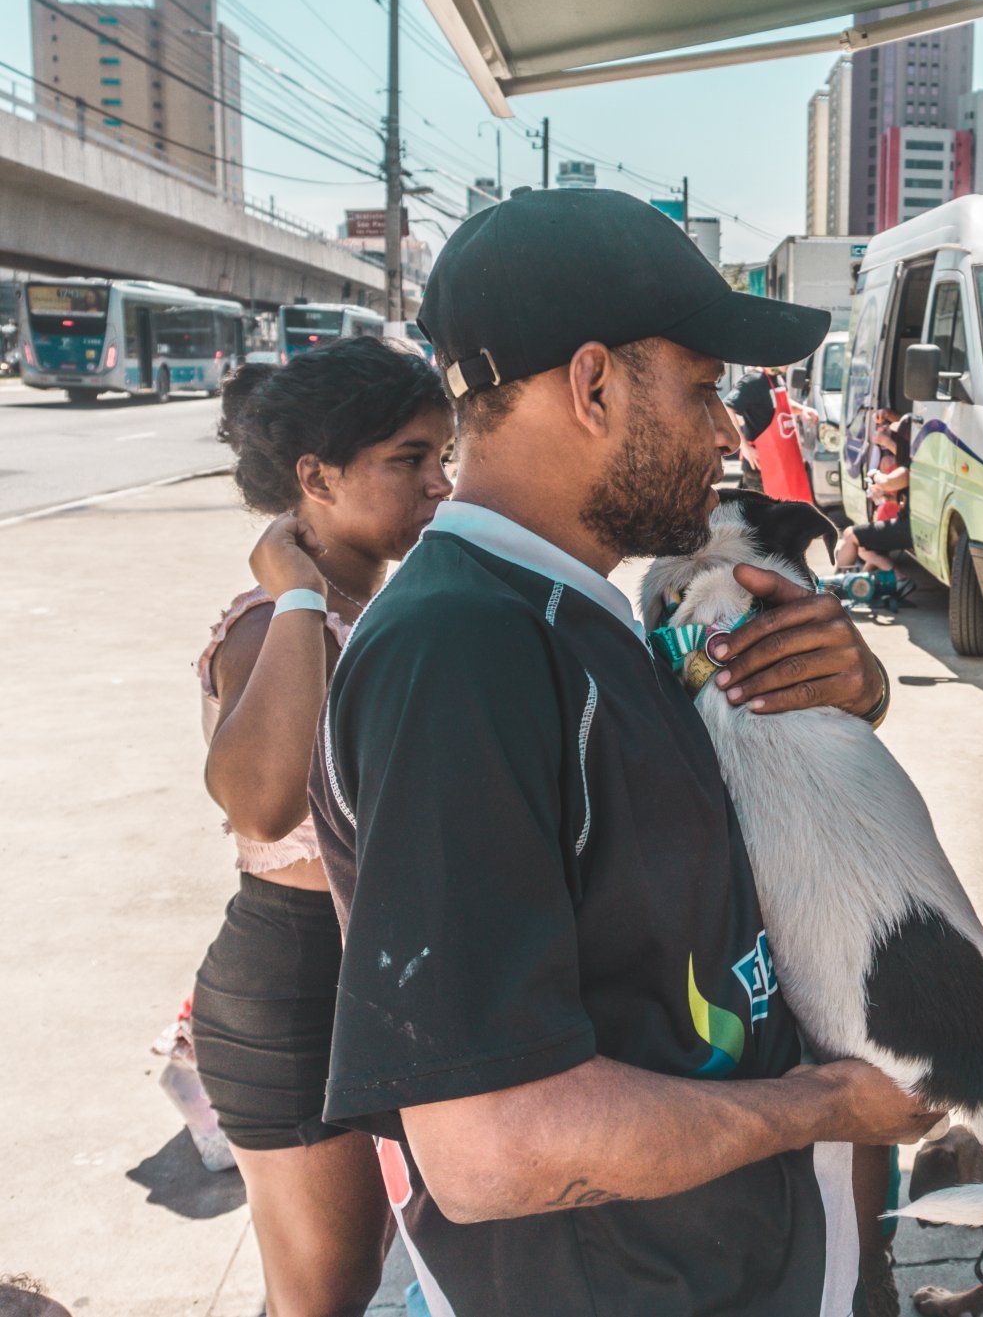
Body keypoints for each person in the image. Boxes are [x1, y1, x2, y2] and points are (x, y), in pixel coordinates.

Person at [308, 188, 935, 1316]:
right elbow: (493, 1143)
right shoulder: (458, 658)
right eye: (702, 389)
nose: (730, 434)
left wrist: (847, 696)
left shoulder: (562, 610)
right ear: (593, 385)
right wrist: (830, 1104)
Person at [193, 340, 452, 1314]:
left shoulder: (377, 606)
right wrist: (296, 589)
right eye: (409, 458)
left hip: (369, 979)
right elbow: (260, 805)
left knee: (360, 1268)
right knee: (324, 1294)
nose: (440, 483)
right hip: (294, 989)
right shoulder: (274, 625)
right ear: (318, 477)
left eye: (443, 457)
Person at [834, 411, 915, 592]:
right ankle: (894, 579)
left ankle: (838, 587)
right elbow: (904, 499)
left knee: (851, 535)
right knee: (858, 539)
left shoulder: (910, 467)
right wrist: (887, 497)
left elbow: (888, 482)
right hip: (911, 524)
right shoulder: (920, 461)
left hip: (909, 527)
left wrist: (875, 475)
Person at [726, 363, 817, 502]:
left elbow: (779, 403)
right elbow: (728, 408)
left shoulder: (778, 378)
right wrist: (744, 447)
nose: (789, 363)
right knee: (761, 512)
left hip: (783, 463)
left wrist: (802, 410)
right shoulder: (752, 380)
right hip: (760, 467)